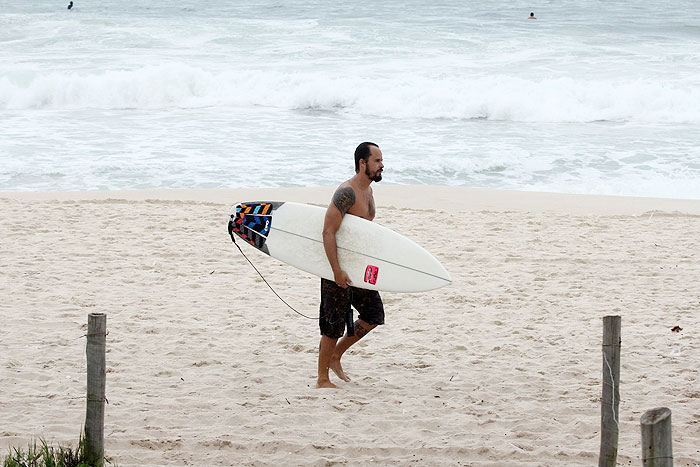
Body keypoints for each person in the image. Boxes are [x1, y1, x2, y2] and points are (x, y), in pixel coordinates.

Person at [317, 142, 385, 389]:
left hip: (358, 266)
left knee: (374, 314)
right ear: (362, 163)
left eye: (381, 160)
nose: (382, 165)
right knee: (332, 324)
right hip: (338, 267)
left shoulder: (368, 191)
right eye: (377, 161)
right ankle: (322, 379)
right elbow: (327, 231)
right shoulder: (346, 192)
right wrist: (336, 270)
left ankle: (337, 355)